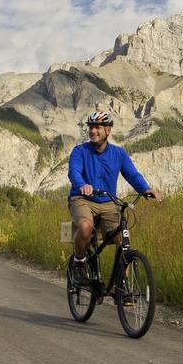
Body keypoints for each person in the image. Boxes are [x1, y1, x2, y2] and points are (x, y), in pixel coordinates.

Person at [67, 110, 162, 284]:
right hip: (82, 199)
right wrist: (82, 185)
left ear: (108, 130)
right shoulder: (80, 151)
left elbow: (132, 175)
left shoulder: (119, 153)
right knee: (86, 226)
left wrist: (146, 189)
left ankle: (122, 285)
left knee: (122, 238)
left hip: (108, 201)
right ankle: (78, 264)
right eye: (91, 127)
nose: (93, 131)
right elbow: (74, 172)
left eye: (97, 127)